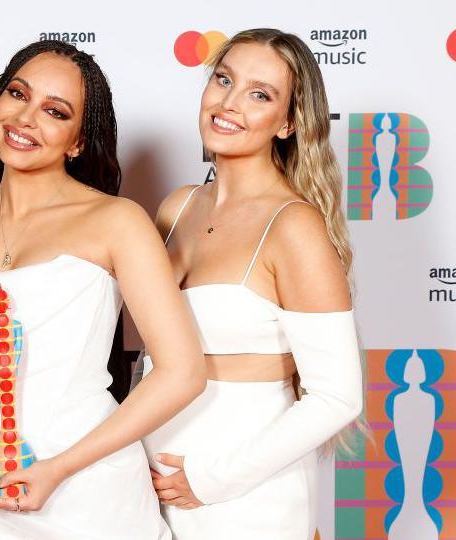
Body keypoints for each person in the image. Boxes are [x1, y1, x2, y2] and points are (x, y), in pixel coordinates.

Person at [0, 40, 206, 539]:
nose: (27, 118)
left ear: (77, 141)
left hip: (88, 495)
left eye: (54, 111)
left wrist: (59, 467)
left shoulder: (116, 221)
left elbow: (182, 373)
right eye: (17, 94)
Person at [141, 28, 364, 539]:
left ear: (288, 122)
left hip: (248, 494)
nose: (229, 104)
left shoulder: (294, 227)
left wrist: (211, 480)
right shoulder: (176, 208)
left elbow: (337, 396)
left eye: (259, 94)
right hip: (153, 484)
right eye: (224, 80)